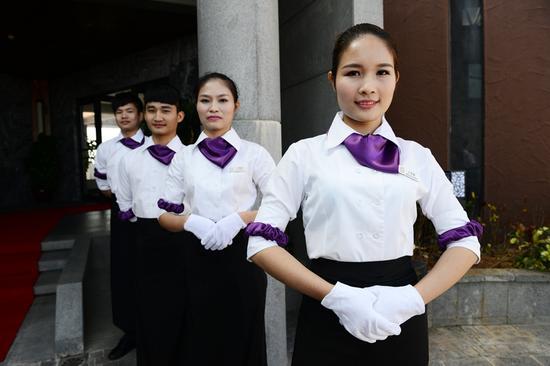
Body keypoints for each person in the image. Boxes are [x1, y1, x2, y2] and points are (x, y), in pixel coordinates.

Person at [246, 23, 482, 365]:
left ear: (396, 78)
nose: (368, 87)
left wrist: (413, 300)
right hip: (327, 305)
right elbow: (261, 245)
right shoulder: (304, 154)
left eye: (382, 72)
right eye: (353, 73)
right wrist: (337, 298)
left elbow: (465, 242)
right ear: (332, 79)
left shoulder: (417, 155)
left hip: (400, 313)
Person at [158, 72, 275, 366]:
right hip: (197, 258)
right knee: (203, 338)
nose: (214, 108)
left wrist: (239, 219)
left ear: (236, 105)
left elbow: (282, 205)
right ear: (195, 106)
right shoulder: (184, 157)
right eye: (205, 100)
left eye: (222, 100)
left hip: (244, 257)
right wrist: (191, 222)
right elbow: (164, 216)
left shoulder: (254, 154)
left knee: (246, 335)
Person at [116, 85, 185, 365]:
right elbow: (126, 203)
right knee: (149, 311)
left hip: (185, 241)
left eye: (166, 110)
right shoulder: (129, 159)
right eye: (152, 110)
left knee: (185, 309)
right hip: (145, 241)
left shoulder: (193, 156)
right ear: (144, 115)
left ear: (179, 116)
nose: (158, 116)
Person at [93, 92, 144, 360]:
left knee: (151, 270)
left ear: (140, 114)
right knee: (123, 271)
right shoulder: (106, 149)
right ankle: (130, 332)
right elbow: (103, 186)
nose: (124, 116)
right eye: (120, 112)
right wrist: (124, 200)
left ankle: (153, 327)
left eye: (129, 111)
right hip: (122, 216)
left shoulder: (152, 143)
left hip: (152, 216)